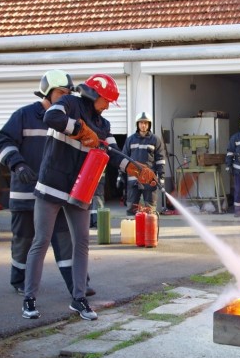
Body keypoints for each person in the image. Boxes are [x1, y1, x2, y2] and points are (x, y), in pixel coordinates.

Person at [22, 73, 156, 321]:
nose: (107, 106)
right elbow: (51, 116)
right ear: (94, 94)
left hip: (79, 189)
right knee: (41, 242)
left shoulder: (104, 125)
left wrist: (136, 169)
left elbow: (112, 153)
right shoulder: (70, 104)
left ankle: (79, 299)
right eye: (106, 100)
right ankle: (29, 299)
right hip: (52, 184)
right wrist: (80, 130)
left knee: (82, 243)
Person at [0, 69, 95, 297]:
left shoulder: (70, 119)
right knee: (24, 241)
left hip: (57, 192)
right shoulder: (23, 116)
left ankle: (77, 285)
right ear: (47, 93)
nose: (66, 97)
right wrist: (17, 165)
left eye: (68, 93)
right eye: (61, 93)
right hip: (26, 193)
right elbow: (3, 143)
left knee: (66, 240)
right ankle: (20, 281)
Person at [122, 111, 166, 214]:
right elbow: (124, 159)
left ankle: (150, 230)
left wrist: (162, 177)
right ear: (137, 124)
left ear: (149, 125)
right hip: (133, 180)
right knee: (131, 210)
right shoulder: (130, 140)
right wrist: (122, 176)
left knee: (150, 210)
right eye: (141, 123)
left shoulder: (155, 140)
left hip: (149, 180)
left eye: (146, 123)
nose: (143, 125)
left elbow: (160, 160)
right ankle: (132, 229)